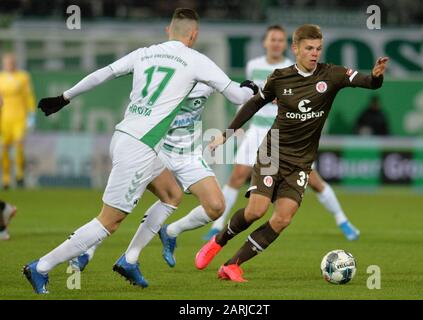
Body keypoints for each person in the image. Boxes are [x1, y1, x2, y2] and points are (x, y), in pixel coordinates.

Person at [23, 8, 257, 294]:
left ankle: (129, 259)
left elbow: (103, 73)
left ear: (167, 31)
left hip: (125, 135)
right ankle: (42, 266)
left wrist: (64, 97)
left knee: (171, 195)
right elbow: (236, 96)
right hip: (141, 146)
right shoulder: (196, 60)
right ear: (194, 35)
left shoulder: (145, 53)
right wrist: (250, 88)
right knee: (109, 221)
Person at [196, 24, 388, 282]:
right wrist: (226, 134)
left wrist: (376, 76)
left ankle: (232, 265)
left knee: (283, 218)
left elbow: (369, 83)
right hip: (272, 150)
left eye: (318, 48)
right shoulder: (280, 77)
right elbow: (253, 104)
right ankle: (217, 242)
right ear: (295, 48)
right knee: (256, 211)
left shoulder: (332, 74)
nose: (314, 53)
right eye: (309, 48)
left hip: (301, 162)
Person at [68, 81, 255, 273]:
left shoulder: (204, 72)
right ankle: (87, 250)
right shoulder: (163, 76)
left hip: (187, 155)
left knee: (216, 206)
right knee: (122, 208)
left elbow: (234, 89)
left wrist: (256, 89)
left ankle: (171, 231)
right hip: (155, 149)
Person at [203, 25, 359, 243]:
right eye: (272, 40)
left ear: (287, 45)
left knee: (314, 181)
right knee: (237, 176)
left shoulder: (292, 68)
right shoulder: (254, 66)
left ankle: (342, 220)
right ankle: (217, 226)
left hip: (287, 134)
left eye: (279, 40)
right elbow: (253, 98)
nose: (276, 44)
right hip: (258, 129)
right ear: (265, 43)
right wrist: (236, 125)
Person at [0, 53, 36, 189]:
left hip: (19, 117)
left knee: (19, 145)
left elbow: (29, 96)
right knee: (3, 147)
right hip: (4, 119)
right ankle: (6, 178)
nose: (9, 64)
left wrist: (31, 114)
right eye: (6, 62)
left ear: (15, 63)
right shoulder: (1, 78)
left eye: (11, 62)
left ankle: (20, 175)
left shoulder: (23, 77)